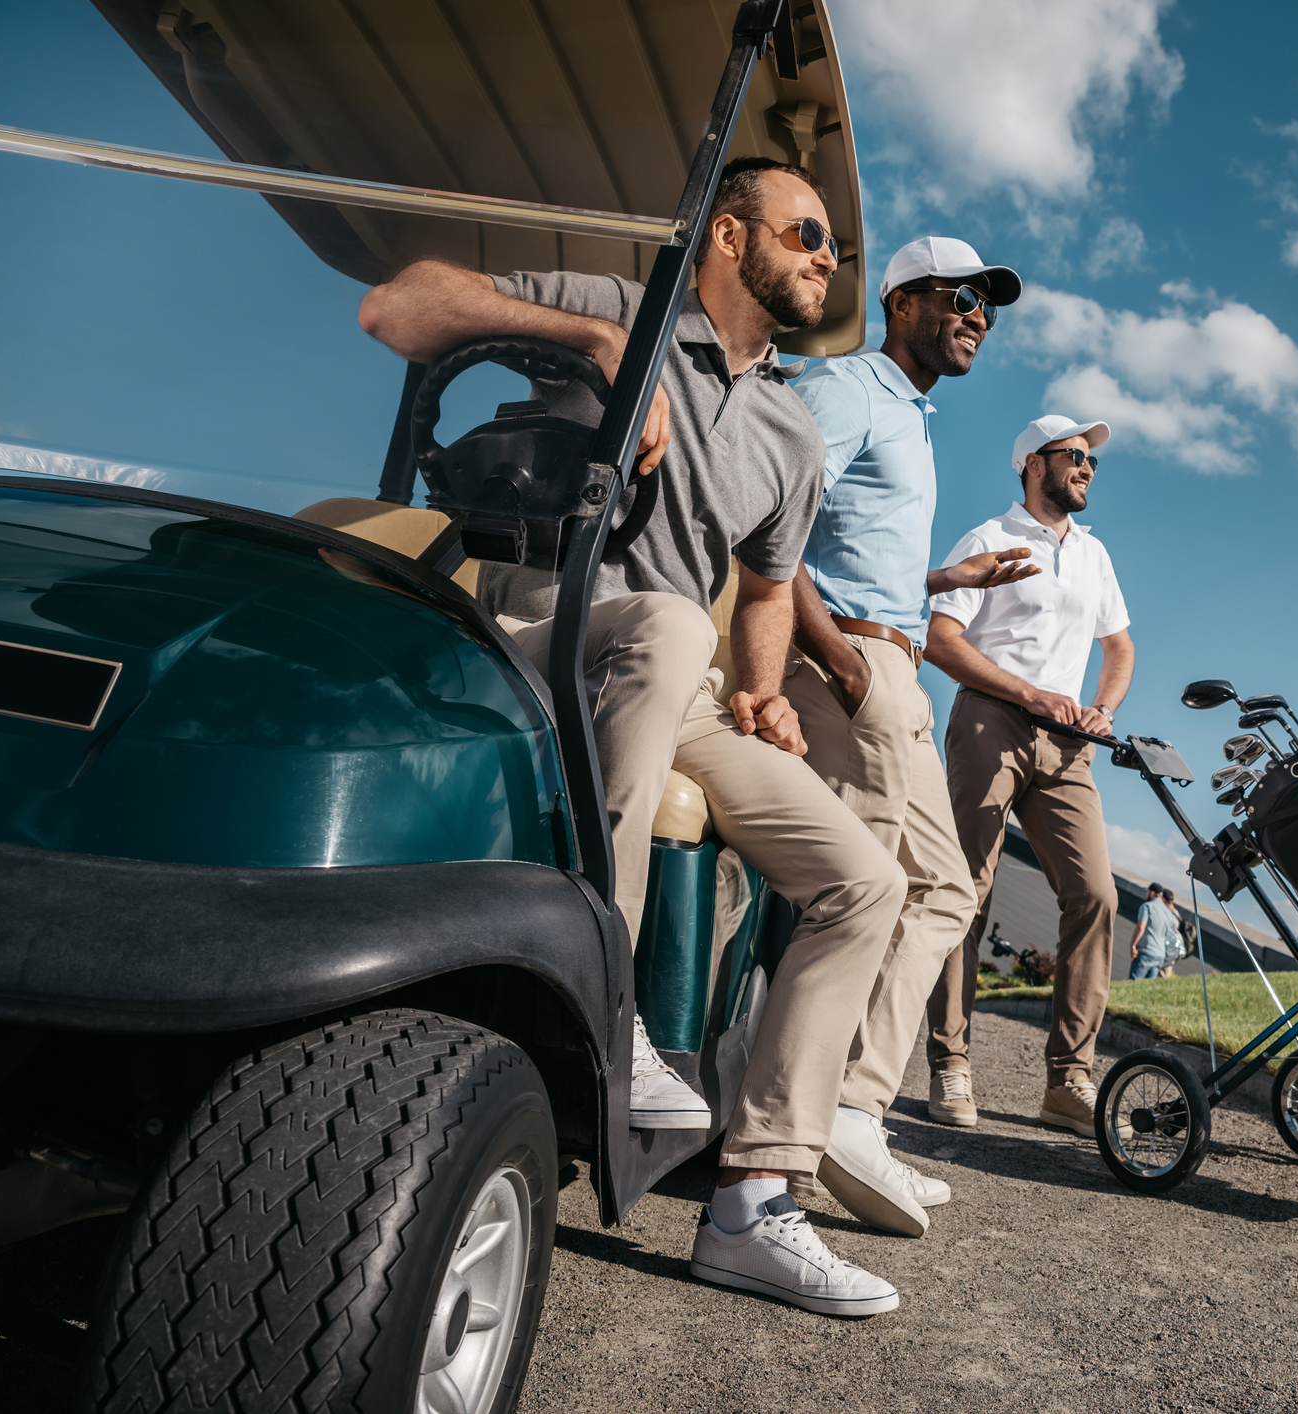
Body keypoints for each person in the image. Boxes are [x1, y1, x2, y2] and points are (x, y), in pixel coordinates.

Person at [358, 157, 907, 1316]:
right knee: (659, 621)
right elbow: (396, 308)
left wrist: (763, 693)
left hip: (679, 683)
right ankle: (608, 1005)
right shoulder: (615, 309)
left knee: (864, 877)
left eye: (833, 249)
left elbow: (763, 592)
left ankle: (755, 1202)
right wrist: (593, 346)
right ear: (726, 234)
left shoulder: (791, 434)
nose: (826, 257)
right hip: (527, 621)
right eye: (808, 233)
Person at [781, 237, 1034, 1232]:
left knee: (944, 888)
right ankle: (796, 1140)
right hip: (853, 665)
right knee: (876, 893)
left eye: (988, 304)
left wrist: (942, 583)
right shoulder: (845, 389)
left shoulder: (910, 416)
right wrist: (841, 663)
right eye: (962, 296)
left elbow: (859, 545)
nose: (979, 313)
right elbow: (768, 526)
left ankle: (852, 1109)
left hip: (891, 659)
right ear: (904, 299)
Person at [922, 414, 1135, 1137]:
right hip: (991, 721)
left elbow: (1120, 647)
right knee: (966, 888)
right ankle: (949, 1061)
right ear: (1030, 463)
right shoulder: (988, 540)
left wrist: (1101, 708)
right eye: (1073, 455)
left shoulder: (1094, 555)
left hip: (1069, 742)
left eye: (1092, 461)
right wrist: (1027, 694)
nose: (1086, 468)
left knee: (1095, 895)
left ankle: (1067, 1080)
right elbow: (939, 640)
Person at [1129, 883, 1180, 980]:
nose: (1146, 894)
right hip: (1159, 955)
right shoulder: (1168, 912)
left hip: (1146, 952)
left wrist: (1133, 945)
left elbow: (1141, 927)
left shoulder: (1147, 907)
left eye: (1147, 892)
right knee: (1148, 989)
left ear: (1152, 892)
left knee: (1133, 985)